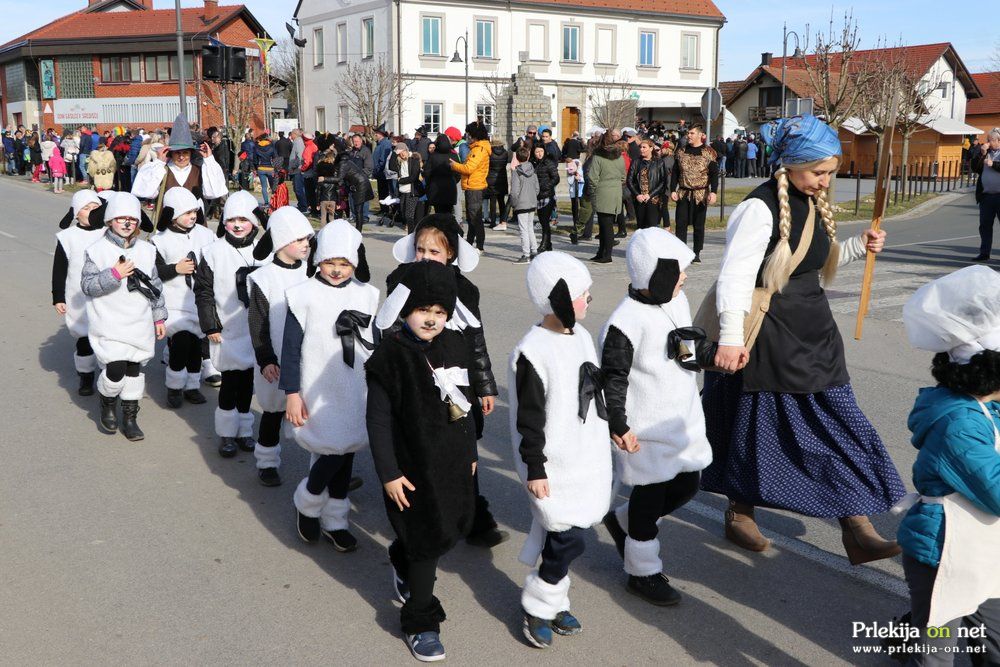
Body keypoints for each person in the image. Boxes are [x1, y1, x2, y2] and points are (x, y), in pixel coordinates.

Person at [699, 114, 906, 564]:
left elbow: (810, 262)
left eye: (831, 172)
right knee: (752, 427)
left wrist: (858, 248)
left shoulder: (809, 202)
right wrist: (731, 339)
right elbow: (734, 277)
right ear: (789, 165)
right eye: (819, 172)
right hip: (770, 337)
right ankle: (741, 512)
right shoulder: (759, 208)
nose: (826, 181)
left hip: (813, 330)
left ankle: (857, 526)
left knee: (837, 425)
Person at [367, 260, 477, 663]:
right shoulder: (390, 357)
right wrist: (389, 473)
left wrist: (470, 456)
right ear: (405, 310)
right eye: (422, 311)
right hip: (409, 469)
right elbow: (376, 421)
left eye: (439, 313)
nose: (431, 320)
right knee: (427, 540)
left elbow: (463, 411)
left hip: (448, 462)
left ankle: (402, 558)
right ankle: (420, 621)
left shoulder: (453, 345)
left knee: (443, 529)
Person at [599, 228, 713, 606]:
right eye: (677, 270)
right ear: (656, 273)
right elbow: (612, 377)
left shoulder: (674, 301)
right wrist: (619, 423)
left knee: (687, 486)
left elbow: (686, 348)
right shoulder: (624, 322)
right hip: (644, 427)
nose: (684, 277)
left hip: (680, 420)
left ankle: (622, 521)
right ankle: (642, 572)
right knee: (650, 499)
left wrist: (715, 358)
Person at [895, 265, 1000, 664]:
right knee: (937, 649)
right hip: (943, 554)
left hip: (982, 549)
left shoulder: (985, 407)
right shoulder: (958, 424)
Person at [509, 251, 612, 648]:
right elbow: (529, 418)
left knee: (570, 531)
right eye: (583, 294)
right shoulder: (533, 352)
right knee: (567, 537)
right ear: (560, 298)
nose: (590, 300)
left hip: (585, 457)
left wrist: (616, 429)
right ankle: (538, 603)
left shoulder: (580, 335)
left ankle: (554, 599)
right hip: (553, 463)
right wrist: (535, 467)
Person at [387, 214, 507, 548]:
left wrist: (484, 384)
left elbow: (476, 341)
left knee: (464, 448)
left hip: (460, 384)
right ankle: (422, 516)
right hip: (419, 380)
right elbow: (389, 329)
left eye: (434, 252)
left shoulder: (466, 289)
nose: (425, 257)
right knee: (422, 447)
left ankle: (474, 516)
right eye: (420, 250)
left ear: (450, 254)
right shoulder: (401, 280)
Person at [284, 220, 376, 551]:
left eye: (344, 263)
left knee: (347, 448)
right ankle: (307, 502)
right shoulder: (303, 295)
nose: (336, 270)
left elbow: (374, 344)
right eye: (329, 262)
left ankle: (335, 518)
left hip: (355, 388)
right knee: (328, 450)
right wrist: (292, 393)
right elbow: (291, 349)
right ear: (317, 259)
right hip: (315, 389)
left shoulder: (367, 295)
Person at [80, 193, 164, 441]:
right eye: (121, 218)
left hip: (139, 324)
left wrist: (159, 318)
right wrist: (114, 274)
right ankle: (107, 402)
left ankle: (130, 417)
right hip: (109, 323)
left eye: (132, 219)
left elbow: (155, 287)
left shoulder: (148, 251)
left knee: (134, 371)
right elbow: (88, 286)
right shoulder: (96, 251)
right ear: (109, 221)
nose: (127, 223)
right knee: (115, 368)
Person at [195, 191, 271, 458]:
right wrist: (211, 325)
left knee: (248, 383)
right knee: (230, 382)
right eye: (232, 219)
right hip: (226, 331)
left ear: (254, 221)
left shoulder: (265, 251)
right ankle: (227, 433)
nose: (238, 225)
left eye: (244, 219)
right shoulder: (214, 252)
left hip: (256, 331)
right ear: (224, 222)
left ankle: (244, 431)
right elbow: (203, 291)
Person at [246, 207, 315, 487]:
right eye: (299, 239)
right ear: (282, 240)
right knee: (273, 412)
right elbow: (257, 321)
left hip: (307, 357)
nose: (305, 245)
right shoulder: (265, 277)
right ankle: (267, 462)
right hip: (274, 358)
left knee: (312, 413)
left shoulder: (312, 274)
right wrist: (266, 359)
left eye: (307, 240)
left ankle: (325, 469)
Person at [151, 187, 215, 410]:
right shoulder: (159, 240)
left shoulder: (206, 235)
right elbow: (155, 271)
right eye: (187, 213)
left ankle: (192, 386)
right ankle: (175, 386)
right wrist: (175, 268)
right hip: (175, 303)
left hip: (199, 302)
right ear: (173, 214)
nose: (193, 217)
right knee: (180, 343)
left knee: (196, 346)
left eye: (194, 212)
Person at [53, 190, 106, 396]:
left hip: (105, 294)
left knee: (104, 336)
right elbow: (59, 269)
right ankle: (85, 376)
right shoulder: (67, 237)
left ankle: (107, 375)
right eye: (86, 208)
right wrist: (58, 296)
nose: (91, 211)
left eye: (95, 207)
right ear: (76, 213)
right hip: (78, 296)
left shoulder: (107, 232)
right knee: (84, 338)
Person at [131, 114, 227, 220]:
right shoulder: (161, 171)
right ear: (171, 153)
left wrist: (209, 160)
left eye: (185, 153)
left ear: (191, 153)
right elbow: (144, 192)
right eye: (177, 153)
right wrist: (159, 162)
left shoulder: (200, 171)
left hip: (195, 228)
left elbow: (215, 192)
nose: (181, 157)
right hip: (168, 227)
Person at [670, 124, 718, 263]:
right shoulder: (681, 151)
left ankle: (696, 252)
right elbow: (675, 172)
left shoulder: (709, 152)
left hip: (700, 194)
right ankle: (682, 251)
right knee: (681, 224)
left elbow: (714, 174)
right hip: (683, 192)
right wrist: (673, 189)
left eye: (691, 133)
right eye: (688, 133)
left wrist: (713, 192)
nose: (688, 136)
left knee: (698, 225)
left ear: (699, 135)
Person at [450, 121, 491, 252]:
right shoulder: (476, 148)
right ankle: (469, 242)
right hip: (472, 186)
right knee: (471, 217)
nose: (466, 137)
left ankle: (480, 246)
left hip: (475, 187)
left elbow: (469, 168)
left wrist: (453, 165)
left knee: (475, 218)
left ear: (474, 136)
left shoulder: (479, 150)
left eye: (468, 135)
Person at [587, 131, 626, 264]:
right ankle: (601, 252)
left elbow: (592, 178)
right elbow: (623, 176)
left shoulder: (598, 157)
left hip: (602, 192)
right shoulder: (619, 157)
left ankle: (607, 254)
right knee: (605, 225)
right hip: (615, 192)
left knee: (606, 226)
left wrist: (593, 192)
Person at [971, 128, 1000, 261]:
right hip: (986, 196)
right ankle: (984, 253)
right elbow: (975, 168)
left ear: (998, 141)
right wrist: (982, 154)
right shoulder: (985, 152)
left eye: (991, 140)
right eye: (987, 140)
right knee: (985, 226)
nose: (988, 143)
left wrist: (992, 164)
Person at [626, 139, 667, 230]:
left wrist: (650, 195)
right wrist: (637, 195)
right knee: (641, 228)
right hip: (639, 199)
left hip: (653, 199)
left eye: (644, 147)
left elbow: (663, 182)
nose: (641, 149)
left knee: (652, 228)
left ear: (651, 148)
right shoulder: (636, 161)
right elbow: (629, 180)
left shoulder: (659, 162)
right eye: (640, 147)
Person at [510, 147, 540, 264]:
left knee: (523, 230)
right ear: (528, 156)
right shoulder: (533, 170)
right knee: (529, 228)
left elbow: (514, 191)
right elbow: (537, 188)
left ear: (517, 158)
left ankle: (526, 254)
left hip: (521, 203)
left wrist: (514, 203)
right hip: (532, 202)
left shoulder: (516, 172)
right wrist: (533, 197)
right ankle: (534, 251)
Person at [389, 143, 423, 232]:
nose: (402, 154)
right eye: (400, 153)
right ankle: (412, 229)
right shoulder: (399, 161)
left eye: (403, 151)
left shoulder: (414, 161)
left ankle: (411, 234)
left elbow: (414, 177)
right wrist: (395, 152)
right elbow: (391, 166)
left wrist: (400, 180)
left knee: (409, 215)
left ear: (407, 150)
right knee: (403, 214)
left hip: (412, 191)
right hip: (402, 191)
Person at [423, 134, 459, 215]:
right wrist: (453, 180)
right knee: (448, 213)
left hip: (436, 187)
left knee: (438, 213)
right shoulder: (454, 155)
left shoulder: (433, 156)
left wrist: (430, 184)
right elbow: (458, 172)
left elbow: (427, 172)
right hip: (450, 187)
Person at [346, 133, 373, 226]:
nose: (356, 143)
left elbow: (369, 167)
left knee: (363, 199)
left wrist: (360, 176)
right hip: (352, 179)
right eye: (354, 141)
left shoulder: (366, 151)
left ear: (361, 141)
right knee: (352, 197)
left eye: (357, 141)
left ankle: (364, 217)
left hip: (362, 179)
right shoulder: (351, 152)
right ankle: (354, 216)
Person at [486, 139, 509, 231]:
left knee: (492, 201)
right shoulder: (506, 153)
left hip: (491, 178)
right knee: (501, 201)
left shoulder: (489, 153)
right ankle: (502, 221)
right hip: (502, 177)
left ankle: (492, 222)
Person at [253, 133, 278, 207]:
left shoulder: (257, 147)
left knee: (264, 186)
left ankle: (266, 202)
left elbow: (255, 160)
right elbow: (275, 158)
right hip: (270, 168)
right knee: (273, 186)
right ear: (267, 139)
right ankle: (274, 201)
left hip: (261, 168)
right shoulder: (271, 147)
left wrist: (256, 167)